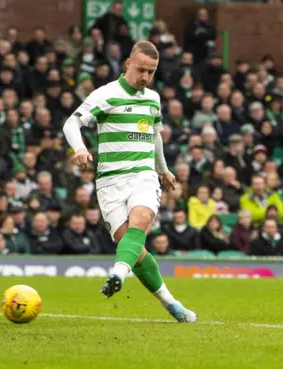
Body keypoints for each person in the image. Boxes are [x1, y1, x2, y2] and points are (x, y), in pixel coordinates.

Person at [62, 40, 196, 323]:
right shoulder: (105, 95)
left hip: (144, 177)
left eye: (151, 72)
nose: (145, 77)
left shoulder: (153, 99)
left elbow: (156, 134)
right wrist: (80, 148)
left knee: (142, 220)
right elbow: (71, 123)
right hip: (110, 182)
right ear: (127, 64)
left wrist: (163, 169)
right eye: (141, 70)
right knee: (133, 248)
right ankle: (170, 303)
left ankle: (117, 273)